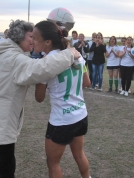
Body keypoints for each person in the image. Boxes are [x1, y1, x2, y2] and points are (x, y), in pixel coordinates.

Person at [0, 19, 81, 178]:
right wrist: (69, 53)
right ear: (19, 37)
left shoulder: (1, 51)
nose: (33, 41)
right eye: (31, 37)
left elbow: (32, 65)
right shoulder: (14, 59)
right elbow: (40, 69)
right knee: (6, 164)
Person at [34, 20, 91, 178]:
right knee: (79, 155)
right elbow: (87, 82)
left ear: (47, 41)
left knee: (53, 163)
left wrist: (39, 79)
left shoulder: (45, 63)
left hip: (62, 120)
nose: (32, 41)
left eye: (35, 38)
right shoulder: (77, 56)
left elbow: (39, 98)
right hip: (80, 114)